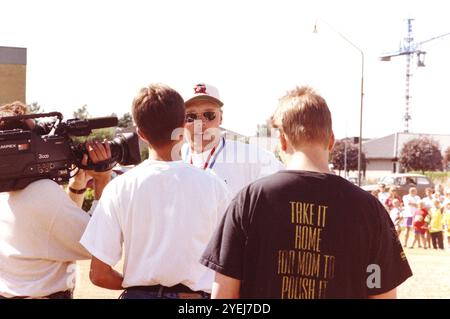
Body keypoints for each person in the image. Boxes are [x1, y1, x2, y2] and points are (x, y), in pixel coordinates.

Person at [200, 86, 412, 299]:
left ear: (282, 141)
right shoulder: (370, 209)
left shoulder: (250, 200)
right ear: (331, 140)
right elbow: (382, 295)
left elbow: (223, 296)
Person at [80, 84, 232, 299]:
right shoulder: (214, 185)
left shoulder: (119, 187)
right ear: (182, 127)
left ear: (140, 133)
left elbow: (99, 275)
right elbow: (231, 263)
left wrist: (139, 284)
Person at [0, 101, 112, 299]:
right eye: (38, 134)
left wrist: (77, 187)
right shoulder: (42, 191)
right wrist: (102, 183)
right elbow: (97, 243)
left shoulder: (7, 192)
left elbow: (55, 230)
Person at [181, 83, 284, 196]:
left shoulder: (251, 157)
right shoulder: (174, 159)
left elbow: (289, 184)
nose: (200, 123)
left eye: (209, 115)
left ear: (221, 117)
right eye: (191, 116)